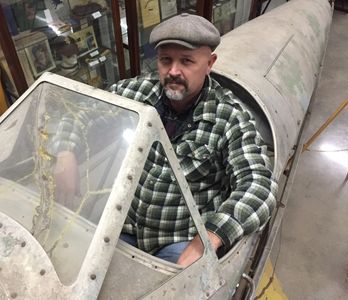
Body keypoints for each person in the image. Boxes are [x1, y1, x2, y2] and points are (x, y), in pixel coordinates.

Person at [51, 13, 277, 267]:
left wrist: (209, 237)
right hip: (124, 222)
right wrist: (66, 152)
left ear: (210, 63)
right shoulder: (137, 93)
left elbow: (259, 186)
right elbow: (82, 110)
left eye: (187, 61)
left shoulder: (229, 117)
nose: (173, 72)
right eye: (165, 60)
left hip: (178, 239)